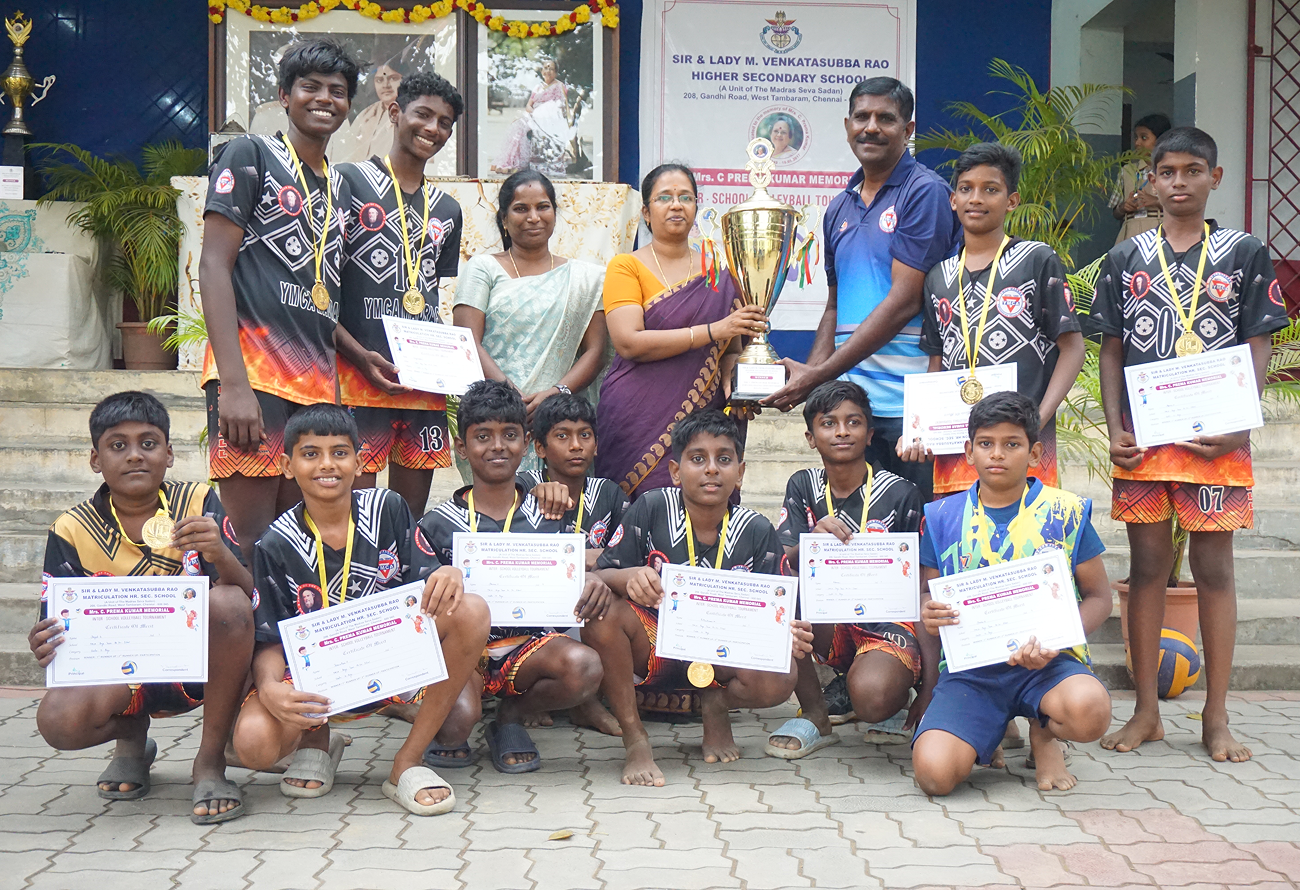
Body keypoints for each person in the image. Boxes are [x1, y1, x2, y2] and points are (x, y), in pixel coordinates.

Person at [1091, 127, 1287, 762]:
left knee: (1215, 571)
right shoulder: (1126, 260)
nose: (1178, 181)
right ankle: (1146, 710)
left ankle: (1217, 716)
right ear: (1151, 180)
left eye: (1192, 170)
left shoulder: (1244, 252)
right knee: (1146, 568)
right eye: (1166, 171)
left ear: (1215, 178)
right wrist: (1115, 423)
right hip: (1146, 439)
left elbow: (1260, 340)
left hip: (1217, 437)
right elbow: (1113, 346)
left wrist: (1242, 421)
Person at [232, 404, 490, 815]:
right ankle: (318, 740)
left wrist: (449, 572)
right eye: (310, 453)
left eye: (339, 452)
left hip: (389, 658)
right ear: (287, 465)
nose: (326, 465)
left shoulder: (387, 508)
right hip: (319, 677)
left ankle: (407, 762)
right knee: (254, 745)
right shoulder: (274, 544)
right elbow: (269, 636)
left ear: (360, 459)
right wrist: (268, 687)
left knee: (471, 609)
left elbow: (427, 576)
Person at [26, 392, 254, 823]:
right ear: (96, 459)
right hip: (122, 676)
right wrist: (44, 641)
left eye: (148, 444)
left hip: (200, 671)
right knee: (58, 721)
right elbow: (54, 622)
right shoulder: (72, 529)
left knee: (228, 603)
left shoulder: (197, 502)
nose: (134, 456)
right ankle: (132, 735)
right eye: (118, 446)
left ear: (169, 454)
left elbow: (249, 598)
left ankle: (209, 763)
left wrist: (221, 554)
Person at [201, 39, 382, 550]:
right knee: (253, 539)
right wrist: (233, 385)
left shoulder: (341, 187)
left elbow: (317, 298)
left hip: (317, 389)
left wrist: (356, 354)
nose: (324, 99)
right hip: (253, 378)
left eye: (338, 91)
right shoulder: (251, 154)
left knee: (301, 541)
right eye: (311, 87)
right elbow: (214, 264)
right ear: (284, 95)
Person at [584, 410, 815, 786]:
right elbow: (605, 570)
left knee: (781, 671)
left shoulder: (755, 529)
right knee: (601, 612)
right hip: (657, 642)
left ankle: (717, 704)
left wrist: (791, 633)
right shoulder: (652, 507)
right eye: (697, 459)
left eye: (724, 459)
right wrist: (629, 578)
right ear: (675, 471)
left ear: (740, 473)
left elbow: (779, 611)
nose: (711, 469)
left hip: (724, 651)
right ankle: (635, 738)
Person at [764, 77, 962, 502]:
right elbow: (834, 306)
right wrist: (813, 382)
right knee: (863, 538)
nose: (871, 127)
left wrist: (820, 373)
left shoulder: (924, 193)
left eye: (885, 118)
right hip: (855, 413)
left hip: (910, 412)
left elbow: (903, 300)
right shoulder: (840, 205)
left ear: (908, 130)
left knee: (917, 539)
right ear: (847, 124)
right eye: (862, 117)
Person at [912, 392, 1113, 794]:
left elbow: (1100, 598)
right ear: (968, 452)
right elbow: (925, 598)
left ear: (1036, 452)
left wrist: (1057, 642)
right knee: (934, 775)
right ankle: (990, 729)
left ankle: (1044, 733)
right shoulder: (941, 517)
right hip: (973, 670)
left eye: (1012, 444)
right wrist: (928, 616)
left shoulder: (1066, 512)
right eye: (986, 444)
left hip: (1047, 664)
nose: (997, 454)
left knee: (1090, 712)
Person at [415, 381, 613, 771]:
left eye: (509, 435)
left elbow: (569, 575)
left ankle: (509, 716)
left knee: (584, 667)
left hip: (529, 649)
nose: (497, 446)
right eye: (482, 437)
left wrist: (590, 581)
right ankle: (453, 710)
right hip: (465, 653)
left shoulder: (550, 515)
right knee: (455, 727)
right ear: (461, 447)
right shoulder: (438, 523)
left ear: (526, 443)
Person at [899, 142, 1085, 496]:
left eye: (991, 189)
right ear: (953, 199)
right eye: (966, 189)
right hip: (959, 443)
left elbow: (1072, 348)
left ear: (1011, 200)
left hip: (1023, 441)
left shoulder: (1036, 259)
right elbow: (937, 359)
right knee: (963, 543)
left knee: (1025, 541)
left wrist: (1038, 422)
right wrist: (920, 427)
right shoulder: (939, 275)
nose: (976, 198)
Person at [764, 381, 924, 759]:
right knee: (782, 596)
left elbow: (921, 578)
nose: (841, 432)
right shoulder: (802, 485)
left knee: (871, 698)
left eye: (853, 422)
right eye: (828, 423)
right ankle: (817, 716)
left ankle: (895, 695)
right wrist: (811, 542)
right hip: (828, 618)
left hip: (888, 622)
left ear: (869, 435)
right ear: (810, 436)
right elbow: (778, 559)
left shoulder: (901, 492)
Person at [594, 164, 768, 498]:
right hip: (636, 415)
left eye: (685, 197)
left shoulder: (720, 270)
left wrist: (739, 385)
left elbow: (729, 350)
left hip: (704, 418)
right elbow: (629, 342)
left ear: (697, 207)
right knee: (639, 516)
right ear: (646, 211)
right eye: (664, 198)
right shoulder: (626, 266)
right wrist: (715, 329)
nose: (676, 205)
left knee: (703, 511)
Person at [336, 71, 465, 515]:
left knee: (409, 516)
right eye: (423, 115)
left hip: (423, 379)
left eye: (445, 122)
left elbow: (428, 292)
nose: (433, 129)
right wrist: (355, 354)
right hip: (358, 371)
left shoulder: (448, 208)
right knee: (355, 511)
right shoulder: (346, 182)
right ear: (395, 112)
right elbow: (321, 283)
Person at [453, 170, 608, 476]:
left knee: (561, 509)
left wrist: (556, 394)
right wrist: (512, 400)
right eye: (521, 209)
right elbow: (467, 341)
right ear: (505, 218)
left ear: (554, 212)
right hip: (495, 417)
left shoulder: (587, 279)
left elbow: (597, 351)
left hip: (560, 423)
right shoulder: (483, 269)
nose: (533, 217)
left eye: (543, 207)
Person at [520, 391, 630, 572]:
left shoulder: (609, 494)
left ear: (596, 446)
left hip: (593, 594)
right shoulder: (524, 485)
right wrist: (535, 491)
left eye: (585, 435)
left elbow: (627, 555)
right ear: (540, 448)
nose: (576, 445)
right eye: (562, 436)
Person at [491, 58, 575, 176]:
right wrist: (534, 113)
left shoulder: (559, 86)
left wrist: (543, 113)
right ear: (542, 71)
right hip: (534, 115)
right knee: (518, 126)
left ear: (556, 72)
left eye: (551, 68)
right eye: (546, 68)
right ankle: (513, 162)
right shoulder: (538, 87)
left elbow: (560, 105)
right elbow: (529, 105)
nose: (548, 71)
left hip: (550, 119)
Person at [1110, 113, 1171, 245]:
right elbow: (1115, 213)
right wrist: (1123, 207)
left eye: (1144, 137)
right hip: (1130, 229)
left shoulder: (1170, 170)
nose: (1137, 143)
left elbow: (1181, 206)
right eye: (1136, 138)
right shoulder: (1127, 170)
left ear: (1161, 140)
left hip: (1159, 228)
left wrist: (1156, 201)